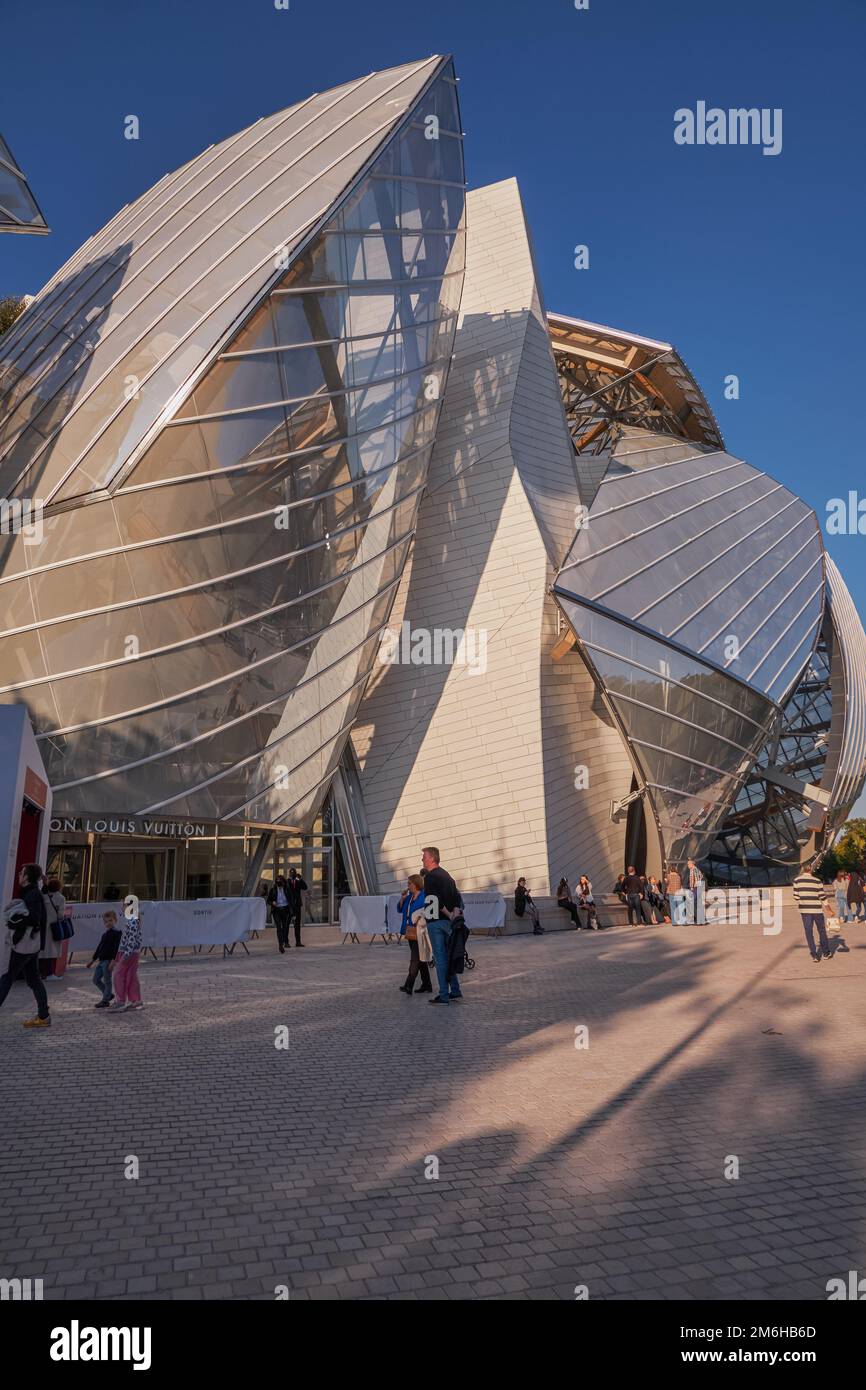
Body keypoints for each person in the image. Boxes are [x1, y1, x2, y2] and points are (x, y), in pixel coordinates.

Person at [0, 864, 51, 1027]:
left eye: (21, 873)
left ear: (27, 876)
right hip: (31, 944)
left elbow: (34, 918)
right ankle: (43, 1016)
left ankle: (44, 1016)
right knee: (33, 979)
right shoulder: (32, 893)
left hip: (25, 944)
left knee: (7, 977)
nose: (19, 875)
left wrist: (14, 921)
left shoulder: (33, 894)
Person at [420, 847, 463, 1004]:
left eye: (424, 857)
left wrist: (448, 913)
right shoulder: (447, 875)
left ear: (432, 858)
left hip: (436, 922)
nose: (422, 860)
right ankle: (456, 990)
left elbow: (434, 900)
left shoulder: (430, 877)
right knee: (449, 955)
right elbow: (457, 897)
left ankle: (444, 994)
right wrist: (455, 913)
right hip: (449, 923)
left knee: (440, 959)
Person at [397, 874, 432, 994]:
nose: (408, 886)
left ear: (416, 884)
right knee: (420, 959)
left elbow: (428, 912)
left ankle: (409, 984)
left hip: (420, 930)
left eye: (409, 884)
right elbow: (400, 909)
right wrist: (402, 898)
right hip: (410, 930)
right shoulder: (410, 897)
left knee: (415, 959)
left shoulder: (423, 896)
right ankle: (427, 985)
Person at [109, 894, 144, 1011]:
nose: (122, 907)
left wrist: (126, 954)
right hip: (132, 952)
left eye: (123, 905)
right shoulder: (133, 919)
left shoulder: (132, 920)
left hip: (129, 952)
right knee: (131, 976)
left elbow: (131, 939)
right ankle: (136, 1000)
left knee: (118, 975)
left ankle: (120, 1001)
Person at [793, 861, 832, 962]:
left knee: (808, 932)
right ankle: (826, 953)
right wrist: (829, 909)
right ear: (810, 868)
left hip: (805, 911)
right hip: (817, 910)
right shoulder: (817, 881)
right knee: (822, 931)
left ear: (802, 868)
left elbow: (796, 896)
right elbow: (822, 897)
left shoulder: (797, 881)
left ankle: (814, 955)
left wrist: (803, 901)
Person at [86, 910, 121, 1008]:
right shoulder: (105, 935)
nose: (108, 923)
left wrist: (113, 961)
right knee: (95, 979)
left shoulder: (117, 933)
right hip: (101, 961)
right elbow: (99, 948)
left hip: (108, 961)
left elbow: (116, 948)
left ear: (115, 920)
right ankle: (108, 994)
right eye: (106, 922)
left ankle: (105, 1000)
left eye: (110, 920)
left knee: (107, 980)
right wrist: (92, 960)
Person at [40, 875, 66, 978]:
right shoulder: (61, 898)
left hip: (42, 927)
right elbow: (60, 915)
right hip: (53, 928)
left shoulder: (43, 897)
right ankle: (50, 973)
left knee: (42, 951)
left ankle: (40, 973)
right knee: (51, 951)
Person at [268, 876, 292, 953]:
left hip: (285, 909)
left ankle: (284, 941)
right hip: (276, 910)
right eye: (277, 881)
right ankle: (280, 945)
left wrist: (292, 912)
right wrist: (272, 902)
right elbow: (268, 900)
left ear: (283, 882)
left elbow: (291, 900)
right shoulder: (273, 890)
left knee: (284, 927)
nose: (279, 883)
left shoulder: (287, 889)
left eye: (280, 881)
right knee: (279, 927)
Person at [287, 868, 308, 947]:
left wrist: (301, 879)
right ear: (289, 874)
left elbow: (305, 887)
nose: (292, 874)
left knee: (297, 924)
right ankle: (286, 942)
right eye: (291, 873)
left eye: (294, 873)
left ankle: (298, 941)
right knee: (287, 923)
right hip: (289, 905)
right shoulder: (287, 882)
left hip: (297, 905)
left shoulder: (298, 881)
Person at [686, 859, 706, 924]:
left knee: (694, 904)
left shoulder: (692, 870)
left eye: (688, 864)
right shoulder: (697, 869)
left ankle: (697, 920)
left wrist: (691, 888)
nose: (687, 865)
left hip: (695, 888)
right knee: (699, 904)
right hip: (699, 888)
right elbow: (702, 877)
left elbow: (692, 880)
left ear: (692, 864)